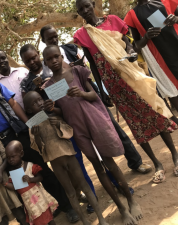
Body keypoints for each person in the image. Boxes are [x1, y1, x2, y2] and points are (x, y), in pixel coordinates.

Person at [0, 60, 79, 223]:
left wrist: (29, 124)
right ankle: (39, 215)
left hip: (17, 134)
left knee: (40, 170)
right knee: (20, 184)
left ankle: (66, 206)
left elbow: (13, 104)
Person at [74, 0, 178, 183]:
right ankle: (157, 164)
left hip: (132, 75)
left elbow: (129, 44)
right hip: (113, 85)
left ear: (92, 4)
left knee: (154, 113)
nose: (85, 11)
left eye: (86, 6)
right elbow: (93, 64)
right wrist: (102, 91)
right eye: (80, 10)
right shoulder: (82, 35)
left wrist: (130, 52)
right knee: (135, 124)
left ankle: (175, 156)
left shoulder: (113, 20)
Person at [43, 45, 142, 225]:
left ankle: (131, 201)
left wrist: (80, 93)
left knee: (110, 163)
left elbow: (94, 96)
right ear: (46, 63)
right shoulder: (49, 86)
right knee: (98, 167)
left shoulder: (78, 71)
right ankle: (121, 208)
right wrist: (52, 108)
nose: (54, 61)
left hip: (94, 120)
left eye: (56, 56)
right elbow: (62, 111)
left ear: (61, 55)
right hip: (78, 130)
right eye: (49, 59)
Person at [39, 26, 152, 174]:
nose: (54, 39)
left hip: (91, 99)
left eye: (55, 36)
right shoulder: (45, 70)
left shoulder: (71, 49)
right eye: (49, 38)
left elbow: (87, 66)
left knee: (113, 127)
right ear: (43, 41)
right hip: (74, 113)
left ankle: (136, 162)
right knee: (91, 145)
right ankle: (111, 176)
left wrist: (79, 70)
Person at [23, 91, 108, 225]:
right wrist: (37, 135)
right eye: (34, 103)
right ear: (28, 110)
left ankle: (102, 219)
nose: (39, 104)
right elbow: (39, 149)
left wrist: (58, 124)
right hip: (55, 162)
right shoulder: (33, 127)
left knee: (84, 186)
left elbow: (69, 133)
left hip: (69, 156)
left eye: (40, 100)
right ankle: (85, 221)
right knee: (70, 193)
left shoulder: (54, 115)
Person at [124, 0, 178, 112]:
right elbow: (137, 45)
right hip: (158, 56)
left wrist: (176, 19)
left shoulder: (164, 1)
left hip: (175, 45)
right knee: (171, 89)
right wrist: (146, 37)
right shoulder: (132, 15)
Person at [4, 141, 58, 225]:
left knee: (49, 217)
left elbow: (40, 177)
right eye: (8, 158)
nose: (10, 160)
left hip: (40, 199)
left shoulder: (29, 166)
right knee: (37, 220)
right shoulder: (13, 173)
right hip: (29, 203)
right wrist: (5, 184)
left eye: (13, 156)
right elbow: (15, 187)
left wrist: (30, 179)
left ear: (21, 154)